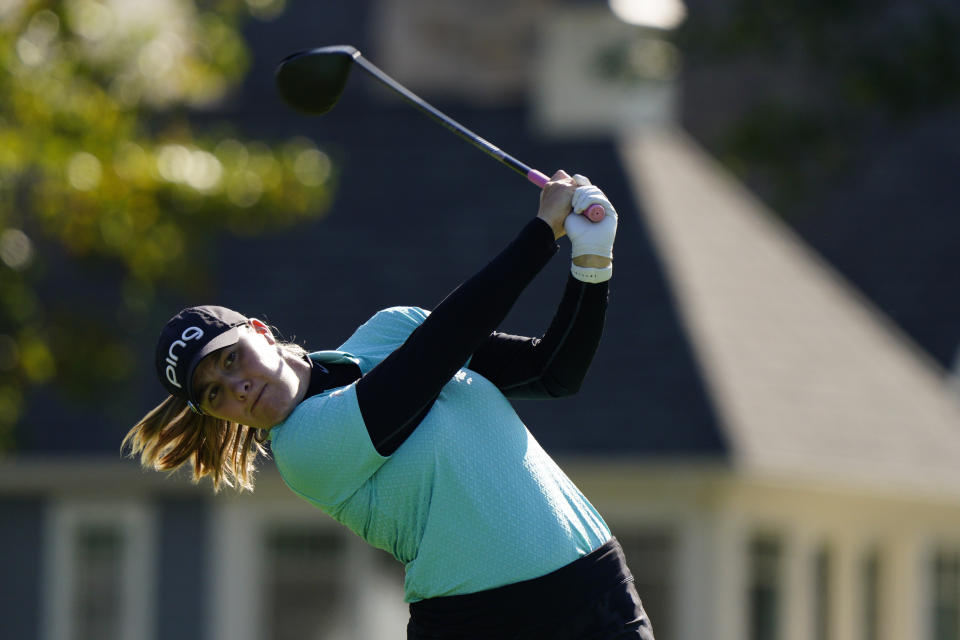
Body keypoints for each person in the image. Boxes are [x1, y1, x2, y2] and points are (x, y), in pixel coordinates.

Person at [124, 171, 655, 639]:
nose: (235, 386)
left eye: (232, 358)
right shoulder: (304, 450)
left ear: (260, 331)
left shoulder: (389, 328)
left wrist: (592, 260)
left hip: (596, 592)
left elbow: (552, 372)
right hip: (484, 623)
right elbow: (428, 362)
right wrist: (541, 234)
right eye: (213, 392)